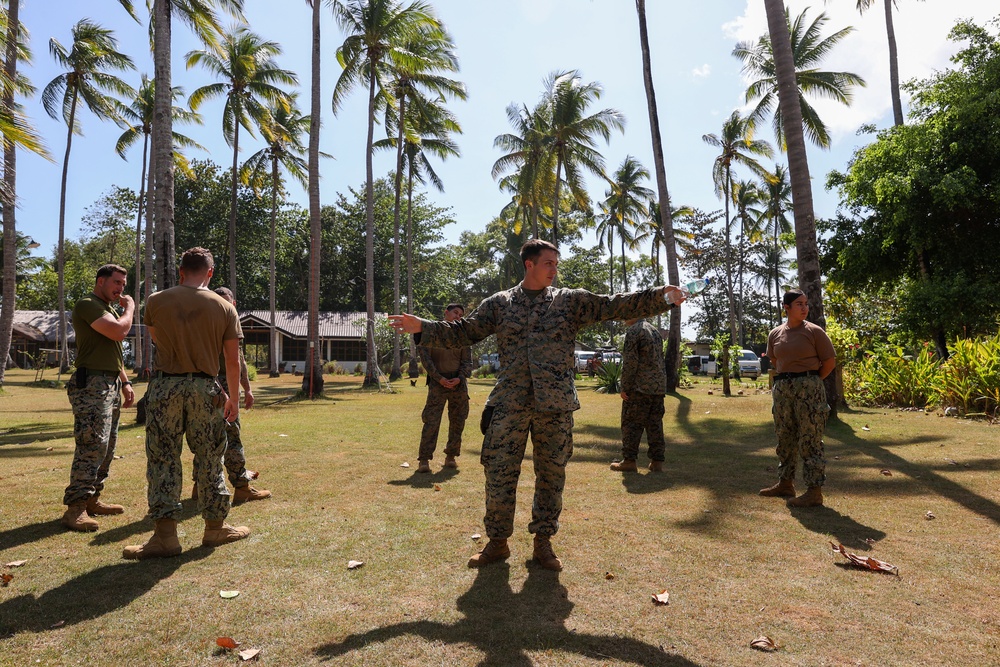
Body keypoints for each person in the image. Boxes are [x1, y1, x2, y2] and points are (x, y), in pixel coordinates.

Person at [389, 239, 686, 571]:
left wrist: (661, 297)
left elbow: (614, 305)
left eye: (556, 264)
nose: (554, 270)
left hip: (555, 406)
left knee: (551, 476)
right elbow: (464, 332)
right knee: (499, 474)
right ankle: (498, 543)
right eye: (548, 263)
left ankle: (543, 543)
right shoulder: (499, 304)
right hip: (509, 403)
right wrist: (423, 328)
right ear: (529, 264)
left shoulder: (569, 302)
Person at [123, 247, 250, 559]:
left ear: (180, 271)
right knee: (210, 457)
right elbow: (231, 362)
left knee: (162, 458)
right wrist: (233, 398)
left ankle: (165, 536)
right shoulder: (224, 307)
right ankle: (215, 527)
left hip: (165, 385)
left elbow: (157, 338)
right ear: (210, 272)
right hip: (206, 387)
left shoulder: (155, 301)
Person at [61, 264, 136, 532]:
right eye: (116, 283)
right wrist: (131, 308)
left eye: (123, 285)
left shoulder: (109, 309)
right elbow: (119, 332)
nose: (120, 289)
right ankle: (76, 509)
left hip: (109, 382)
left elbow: (113, 350)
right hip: (91, 383)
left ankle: (92, 499)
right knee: (92, 444)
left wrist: (125, 382)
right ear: (101, 281)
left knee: (107, 446)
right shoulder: (87, 304)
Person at [189, 287, 272, 503]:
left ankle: (201, 488)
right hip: (213, 386)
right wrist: (225, 393)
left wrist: (248, 389)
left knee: (215, 437)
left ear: (233, 304)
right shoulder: (206, 328)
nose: (223, 306)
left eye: (227, 302)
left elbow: (239, 362)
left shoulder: (230, 325)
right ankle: (239, 488)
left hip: (227, 384)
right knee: (223, 438)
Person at [759, 289, 837, 508]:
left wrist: (811, 380)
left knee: (810, 438)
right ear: (787, 307)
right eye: (799, 304)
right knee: (785, 436)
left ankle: (814, 491)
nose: (804, 308)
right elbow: (775, 359)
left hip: (809, 389)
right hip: (783, 389)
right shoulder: (775, 333)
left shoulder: (814, 331)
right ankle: (785, 483)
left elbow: (829, 362)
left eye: (806, 304)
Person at [416, 303, 473, 473]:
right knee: (431, 422)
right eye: (455, 312)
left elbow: (468, 362)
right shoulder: (431, 333)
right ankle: (424, 460)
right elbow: (426, 359)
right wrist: (439, 378)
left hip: (458, 385)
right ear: (446, 313)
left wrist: (460, 378)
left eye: (461, 314)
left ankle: (451, 456)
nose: (458, 316)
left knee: (457, 422)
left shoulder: (464, 337)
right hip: (437, 384)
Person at [610, 317, 666, 473]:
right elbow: (661, 360)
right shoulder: (655, 331)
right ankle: (657, 462)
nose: (623, 317)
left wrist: (625, 387)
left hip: (639, 388)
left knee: (631, 425)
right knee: (655, 425)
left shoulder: (634, 331)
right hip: (657, 388)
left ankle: (629, 461)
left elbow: (630, 362)